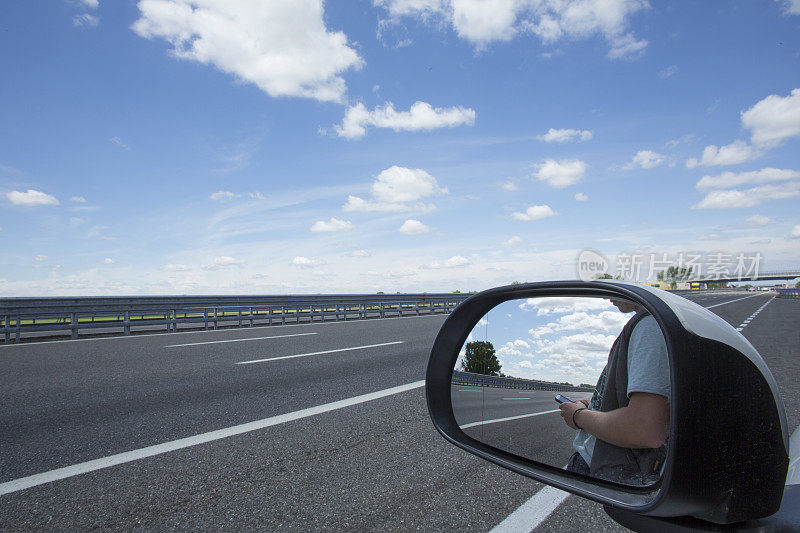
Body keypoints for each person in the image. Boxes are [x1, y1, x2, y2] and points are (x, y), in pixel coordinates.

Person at [559, 298, 670, 485]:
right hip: (611, 465)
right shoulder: (647, 325)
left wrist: (578, 416)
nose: (606, 296)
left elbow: (644, 427)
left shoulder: (649, 326)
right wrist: (591, 405)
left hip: (616, 469)